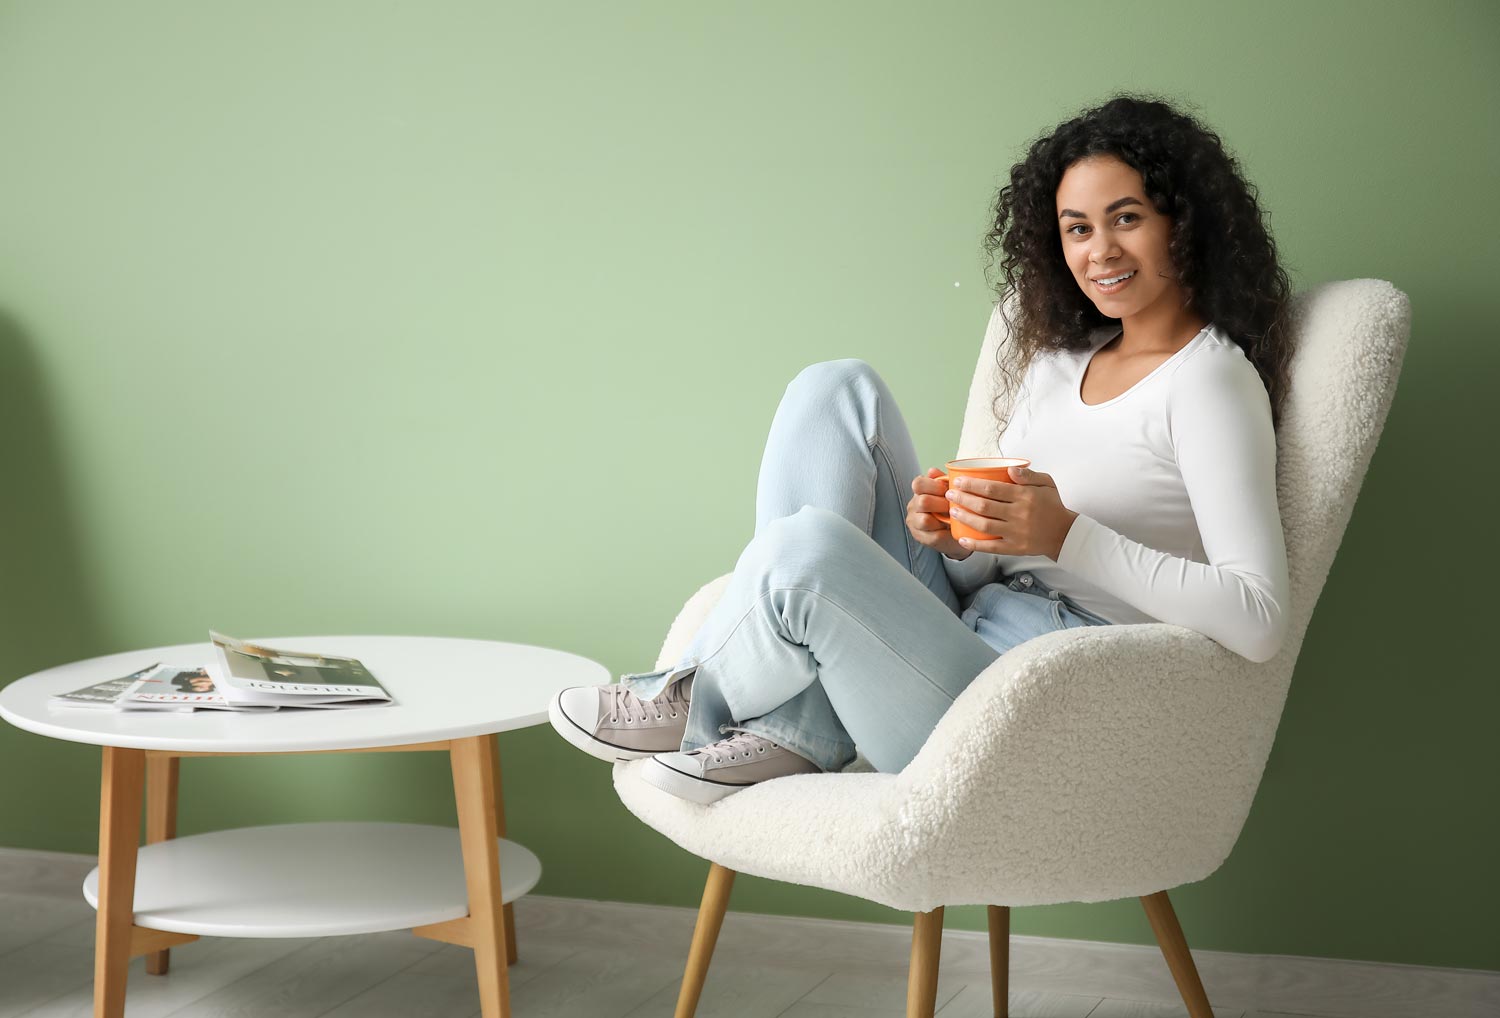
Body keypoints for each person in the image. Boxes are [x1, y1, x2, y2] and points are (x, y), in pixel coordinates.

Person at [548, 92, 1293, 804]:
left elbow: (1259, 619)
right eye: (1077, 228)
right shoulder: (1056, 361)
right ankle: (795, 728)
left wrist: (1067, 535)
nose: (1100, 251)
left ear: (1181, 222)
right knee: (835, 389)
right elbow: (999, 564)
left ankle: (689, 695)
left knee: (808, 552)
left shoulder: (1209, 381)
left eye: (1125, 218)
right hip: (961, 635)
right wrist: (956, 538)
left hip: (1037, 700)